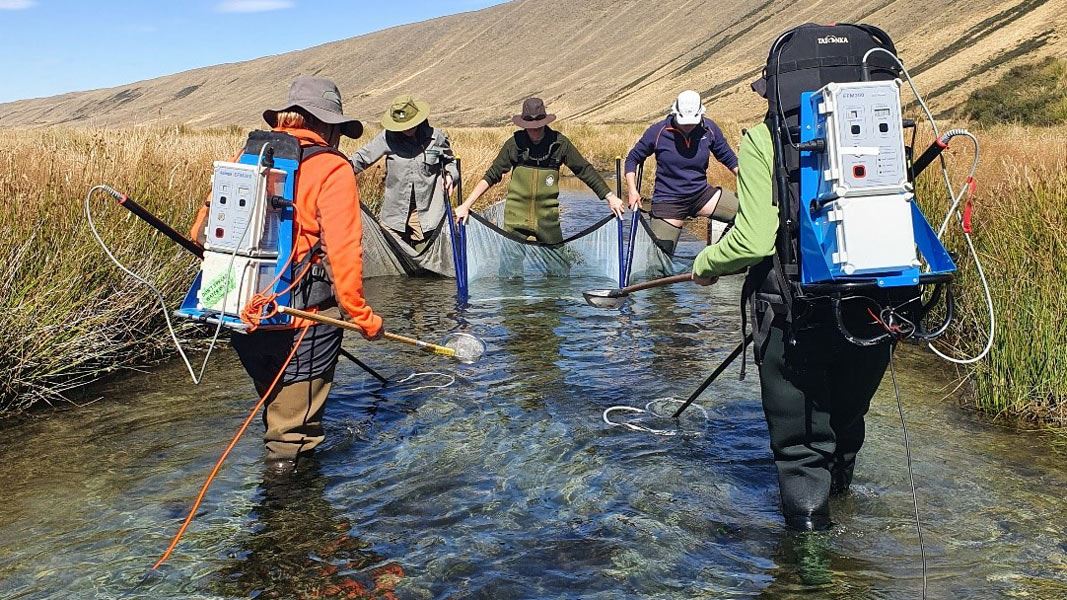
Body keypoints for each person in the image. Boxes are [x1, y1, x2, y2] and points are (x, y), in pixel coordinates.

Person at [690, 97, 891, 531]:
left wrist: (705, 264)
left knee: (801, 449)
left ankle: (809, 568)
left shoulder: (765, 138)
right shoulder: (881, 122)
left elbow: (754, 241)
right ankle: (847, 563)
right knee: (845, 425)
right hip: (872, 310)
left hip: (793, 315)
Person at [189, 76, 384, 470]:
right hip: (305, 319)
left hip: (242, 313)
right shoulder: (333, 167)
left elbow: (201, 233)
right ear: (327, 124)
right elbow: (344, 253)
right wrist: (362, 318)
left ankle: (277, 512)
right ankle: (291, 527)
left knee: (275, 407)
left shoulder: (248, 155)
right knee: (292, 435)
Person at [453, 97, 625, 244]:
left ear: (545, 122)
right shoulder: (514, 144)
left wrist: (610, 197)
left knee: (559, 270)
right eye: (530, 127)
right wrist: (466, 205)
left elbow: (584, 170)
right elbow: (492, 175)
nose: (534, 131)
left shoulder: (560, 144)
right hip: (516, 217)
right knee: (510, 271)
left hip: (547, 220)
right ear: (524, 124)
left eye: (538, 126)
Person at [624, 90, 739, 254]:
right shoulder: (658, 132)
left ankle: (720, 257)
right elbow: (632, 159)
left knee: (751, 213)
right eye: (684, 122)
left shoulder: (709, 129)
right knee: (658, 264)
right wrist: (633, 191)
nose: (688, 126)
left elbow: (729, 158)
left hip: (701, 195)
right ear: (675, 113)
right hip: (668, 202)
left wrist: (748, 181)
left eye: (692, 122)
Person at [351, 94, 459, 250]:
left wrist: (450, 176)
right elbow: (361, 158)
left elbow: (450, 162)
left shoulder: (437, 138)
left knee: (426, 263)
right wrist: (337, 170)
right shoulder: (386, 138)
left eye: (410, 124)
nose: (407, 129)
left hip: (428, 215)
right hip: (394, 217)